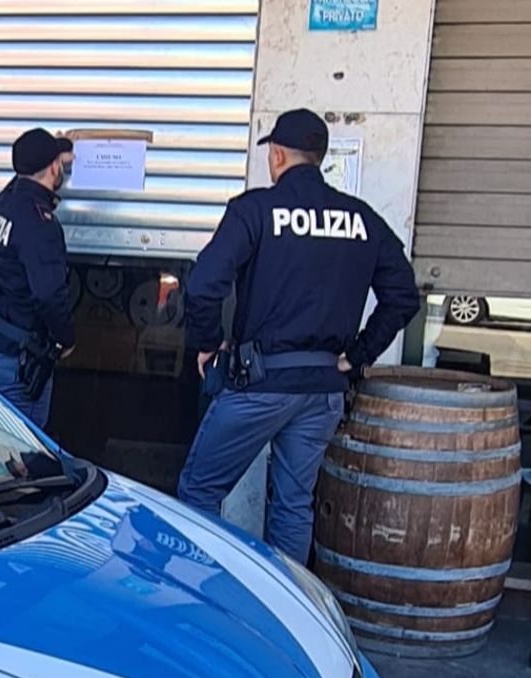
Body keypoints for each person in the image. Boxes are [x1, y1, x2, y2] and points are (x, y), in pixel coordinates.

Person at [177, 108, 420, 563]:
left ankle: (198, 600)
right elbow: (404, 297)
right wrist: (359, 355)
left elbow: (204, 284)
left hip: (261, 385)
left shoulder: (255, 210)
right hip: (323, 390)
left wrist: (208, 344)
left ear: (276, 155)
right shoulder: (361, 219)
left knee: (200, 490)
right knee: (292, 505)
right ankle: (290, 612)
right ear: (320, 158)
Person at [0, 128, 76, 428]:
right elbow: (48, 294)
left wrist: (57, 149)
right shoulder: (39, 224)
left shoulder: (1, 203)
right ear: (56, 167)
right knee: (22, 457)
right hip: (17, 362)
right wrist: (66, 339)